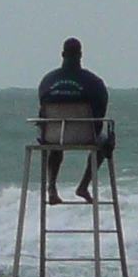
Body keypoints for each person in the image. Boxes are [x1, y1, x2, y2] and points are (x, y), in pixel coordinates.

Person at [35, 39, 112, 204]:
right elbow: (100, 112)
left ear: (62, 54)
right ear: (81, 55)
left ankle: (52, 187)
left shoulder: (47, 81)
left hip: (53, 137)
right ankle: (83, 186)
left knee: (58, 139)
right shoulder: (93, 82)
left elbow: (42, 110)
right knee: (105, 141)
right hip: (86, 137)